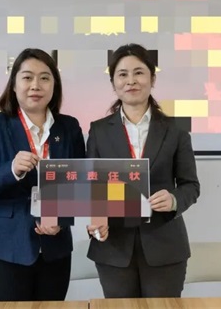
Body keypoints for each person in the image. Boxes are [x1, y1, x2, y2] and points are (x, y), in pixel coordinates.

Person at [0, 48, 85, 302]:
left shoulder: (69, 127)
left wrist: (61, 220)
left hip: (55, 250)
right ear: (14, 84)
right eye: (27, 77)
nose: (35, 85)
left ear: (54, 85)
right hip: (6, 248)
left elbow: (80, 184)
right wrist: (10, 170)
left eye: (44, 78)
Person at [85, 43, 200, 298]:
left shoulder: (176, 129)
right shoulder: (99, 130)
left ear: (152, 79)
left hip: (164, 245)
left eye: (139, 72)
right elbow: (92, 183)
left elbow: (191, 185)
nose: (131, 81)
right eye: (122, 74)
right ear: (114, 83)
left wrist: (173, 200)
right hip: (113, 246)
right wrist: (97, 218)